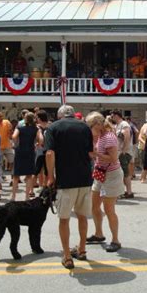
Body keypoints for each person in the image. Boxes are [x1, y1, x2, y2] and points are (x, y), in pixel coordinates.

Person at [45, 105, 94, 270]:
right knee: (82, 216)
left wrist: (50, 176)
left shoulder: (53, 127)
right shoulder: (84, 127)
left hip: (66, 179)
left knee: (64, 218)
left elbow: (50, 153)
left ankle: (67, 256)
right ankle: (82, 249)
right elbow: (90, 153)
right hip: (85, 178)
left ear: (60, 115)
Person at [85, 112, 125, 252]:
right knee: (94, 207)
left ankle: (115, 240)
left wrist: (95, 154)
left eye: (90, 125)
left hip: (111, 175)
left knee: (109, 210)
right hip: (100, 173)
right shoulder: (100, 136)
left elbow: (113, 158)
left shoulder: (108, 136)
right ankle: (99, 234)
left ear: (97, 124)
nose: (88, 128)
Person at [11, 112, 42, 201]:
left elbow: (13, 136)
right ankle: (27, 197)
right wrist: (37, 144)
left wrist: (16, 143)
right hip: (30, 152)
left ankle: (13, 196)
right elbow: (41, 139)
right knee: (29, 175)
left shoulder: (20, 128)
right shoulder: (36, 129)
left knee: (16, 175)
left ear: (25, 119)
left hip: (20, 151)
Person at [110, 110, 134, 199]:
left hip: (124, 152)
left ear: (117, 116)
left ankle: (129, 192)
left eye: (112, 116)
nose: (112, 118)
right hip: (120, 152)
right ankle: (125, 191)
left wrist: (123, 150)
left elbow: (127, 137)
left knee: (124, 173)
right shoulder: (118, 125)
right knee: (122, 173)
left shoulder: (124, 124)